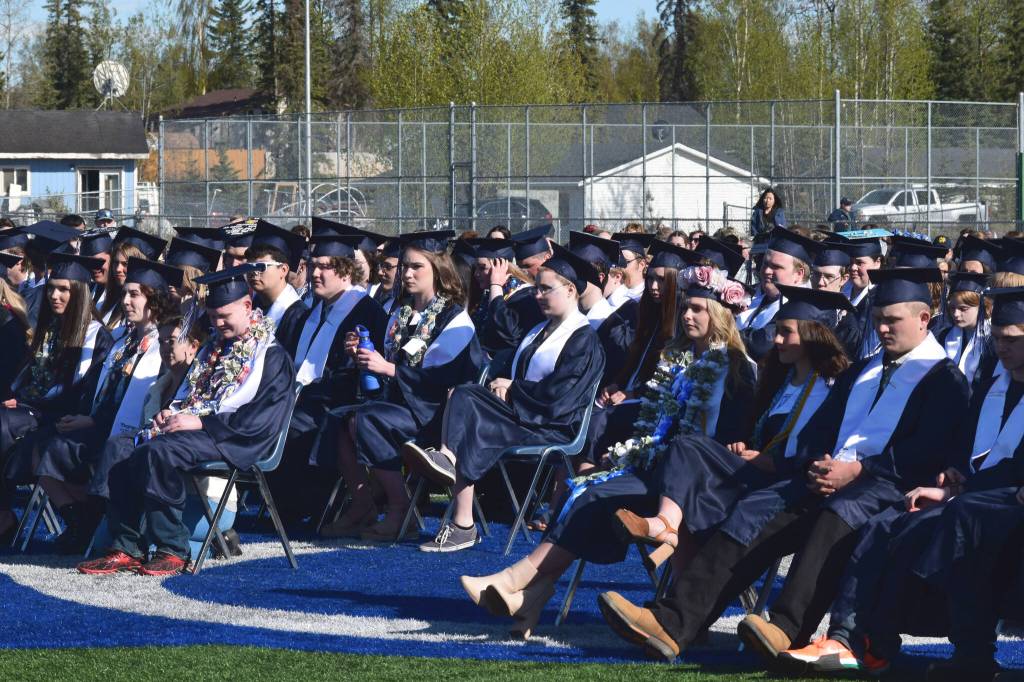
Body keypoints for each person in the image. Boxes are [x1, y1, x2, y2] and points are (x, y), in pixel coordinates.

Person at [596, 268, 969, 663]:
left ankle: (787, 628)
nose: (882, 329)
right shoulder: (864, 370)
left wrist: (857, 471)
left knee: (836, 515)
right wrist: (819, 463)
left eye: (892, 321)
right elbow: (822, 430)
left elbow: (926, 451)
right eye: (878, 320)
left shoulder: (944, 379)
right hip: (829, 477)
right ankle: (672, 622)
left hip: (887, 486)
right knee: (756, 507)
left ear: (924, 319)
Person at [458, 257, 753, 638]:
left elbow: (730, 436)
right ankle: (530, 595)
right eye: (685, 309)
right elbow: (657, 421)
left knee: (594, 493)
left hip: (694, 484)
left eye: (698, 309)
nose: (687, 316)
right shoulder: (678, 361)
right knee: (583, 487)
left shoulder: (736, 367)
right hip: (657, 468)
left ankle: (519, 582)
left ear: (718, 313)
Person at [777, 286, 1024, 679]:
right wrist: (954, 471)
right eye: (996, 339)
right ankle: (852, 639)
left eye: (1012, 341)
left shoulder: (953, 379)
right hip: (971, 497)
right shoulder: (991, 386)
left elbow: (1016, 467)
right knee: (885, 524)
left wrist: (954, 489)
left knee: (914, 526)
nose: (1002, 348)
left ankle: (875, 642)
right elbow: (968, 445)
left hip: (1004, 504)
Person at [77, 264, 296, 576]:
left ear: (247, 306)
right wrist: (172, 411)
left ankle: (172, 549)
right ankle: (126, 546)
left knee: (159, 451)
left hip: (235, 438)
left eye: (225, 316)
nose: (218, 323)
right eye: (213, 316)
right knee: (119, 447)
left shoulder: (270, 356)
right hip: (194, 432)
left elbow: (261, 420)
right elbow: (190, 396)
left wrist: (203, 424)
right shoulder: (213, 349)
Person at [407, 246, 606, 553]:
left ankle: (461, 519)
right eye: (536, 288)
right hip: (524, 415)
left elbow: (562, 396)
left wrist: (513, 389)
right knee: (464, 394)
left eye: (545, 289)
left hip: (553, 424)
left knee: (472, 411)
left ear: (570, 290)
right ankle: (453, 486)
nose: (537, 295)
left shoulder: (584, 338)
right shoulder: (540, 329)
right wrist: (504, 390)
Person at [314, 231, 483, 542]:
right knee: (338, 418)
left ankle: (399, 509)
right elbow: (390, 361)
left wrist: (387, 367)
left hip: (435, 416)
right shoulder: (400, 314)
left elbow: (439, 379)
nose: (407, 273)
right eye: (404, 266)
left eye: (417, 267)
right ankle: (363, 503)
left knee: (366, 420)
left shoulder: (455, 320)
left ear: (438, 270)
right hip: (399, 406)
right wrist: (362, 354)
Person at [32, 258, 180, 553]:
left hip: (134, 434)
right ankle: (81, 521)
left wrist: (95, 423)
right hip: (102, 426)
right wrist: (89, 418)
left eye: (134, 294)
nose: (125, 300)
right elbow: (104, 394)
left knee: (88, 450)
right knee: (44, 445)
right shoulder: (121, 341)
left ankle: (93, 522)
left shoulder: (164, 344)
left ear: (154, 298)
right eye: (124, 293)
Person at [268, 233, 389, 524]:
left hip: (341, 401)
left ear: (346, 271)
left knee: (294, 426)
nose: (316, 273)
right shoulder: (313, 310)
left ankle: (310, 504)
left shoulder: (367, 312)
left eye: (325, 266)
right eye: (313, 265)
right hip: (304, 397)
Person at [0, 253, 115, 539]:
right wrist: (18, 395)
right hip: (36, 409)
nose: (54, 295)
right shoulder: (49, 329)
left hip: (64, 415)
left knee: (3, 426)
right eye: (52, 287)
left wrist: (29, 403)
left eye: (63, 289)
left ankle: (4, 516)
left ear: (79, 293)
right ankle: (76, 521)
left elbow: (83, 392)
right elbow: (32, 375)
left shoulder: (96, 337)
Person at [736, 227, 817, 361]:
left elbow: (762, 344)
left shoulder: (801, 308)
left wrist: (726, 329)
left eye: (776, 267)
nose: (766, 271)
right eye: (765, 264)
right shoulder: (762, 298)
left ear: (799, 274)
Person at [470, 238, 544, 364]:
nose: (476, 273)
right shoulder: (490, 294)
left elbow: (508, 334)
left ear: (502, 267)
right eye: (475, 268)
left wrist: (495, 285)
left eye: (482, 268)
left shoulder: (527, 297)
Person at [245, 220, 309, 357]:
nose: (254, 273)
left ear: (284, 270)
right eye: (250, 267)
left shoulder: (298, 316)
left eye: (262, 267)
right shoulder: (250, 307)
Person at [935, 272, 992, 388]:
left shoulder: (992, 341)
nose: (956, 314)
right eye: (952, 308)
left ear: (982, 306)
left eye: (963, 309)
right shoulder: (942, 336)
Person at [607, 232, 652, 311]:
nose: (619, 267)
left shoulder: (648, 295)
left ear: (641, 264)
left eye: (625, 262)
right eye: (616, 262)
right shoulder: (609, 292)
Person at [77, 228, 114, 304]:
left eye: (99, 261)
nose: (94, 268)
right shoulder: (87, 290)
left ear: (113, 259)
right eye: (89, 262)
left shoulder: (123, 297)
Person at [370, 239, 400, 313]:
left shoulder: (411, 306)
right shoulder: (378, 296)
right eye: (381, 265)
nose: (380, 272)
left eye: (388, 267)